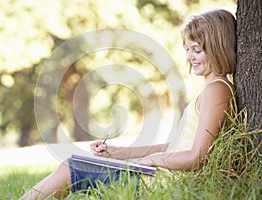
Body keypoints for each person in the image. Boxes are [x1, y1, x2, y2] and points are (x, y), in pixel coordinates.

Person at [20, 9, 236, 199]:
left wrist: (151, 160)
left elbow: (197, 157)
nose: (190, 57)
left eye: (197, 50)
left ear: (217, 47)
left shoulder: (217, 89)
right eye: (188, 49)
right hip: (157, 177)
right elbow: (176, 146)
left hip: (160, 184)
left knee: (70, 168)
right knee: (73, 164)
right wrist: (119, 152)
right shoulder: (211, 89)